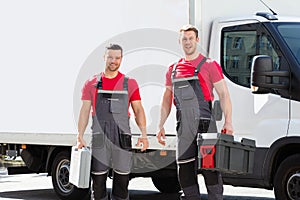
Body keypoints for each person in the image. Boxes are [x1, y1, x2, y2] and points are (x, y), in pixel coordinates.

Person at [156, 24, 233, 200]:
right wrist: (160, 124)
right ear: (180, 41)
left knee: (210, 168)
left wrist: (228, 121)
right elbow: (167, 99)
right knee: (184, 169)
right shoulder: (173, 69)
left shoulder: (209, 65)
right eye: (184, 39)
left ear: (197, 40)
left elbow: (224, 94)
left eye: (191, 38)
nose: (188, 42)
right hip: (183, 125)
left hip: (206, 123)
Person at [77, 44, 149, 200]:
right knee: (98, 180)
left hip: (122, 137)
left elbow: (138, 110)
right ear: (104, 57)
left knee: (122, 181)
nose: (113, 61)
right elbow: (84, 111)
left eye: (117, 58)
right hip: (100, 137)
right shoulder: (92, 83)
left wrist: (143, 134)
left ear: (121, 59)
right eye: (110, 57)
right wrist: (80, 135)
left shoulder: (129, 83)